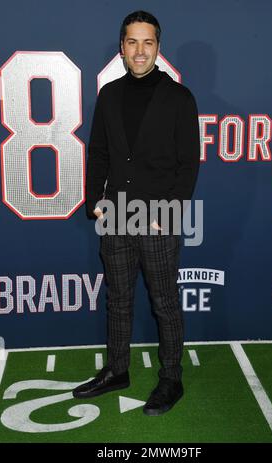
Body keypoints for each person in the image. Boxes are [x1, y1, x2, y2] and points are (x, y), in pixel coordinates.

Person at [73, 10, 200, 416]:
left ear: (158, 47)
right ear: (122, 48)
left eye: (148, 42)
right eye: (132, 42)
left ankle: (171, 378)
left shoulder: (180, 98)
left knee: (164, 302)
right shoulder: (109, 95)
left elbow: (188, 164)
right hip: (117, 217)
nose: (140, 50)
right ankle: (117, 371)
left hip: (159, 216)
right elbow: (99, 153)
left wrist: (171, 212)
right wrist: (96, 200)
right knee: (119, 300)